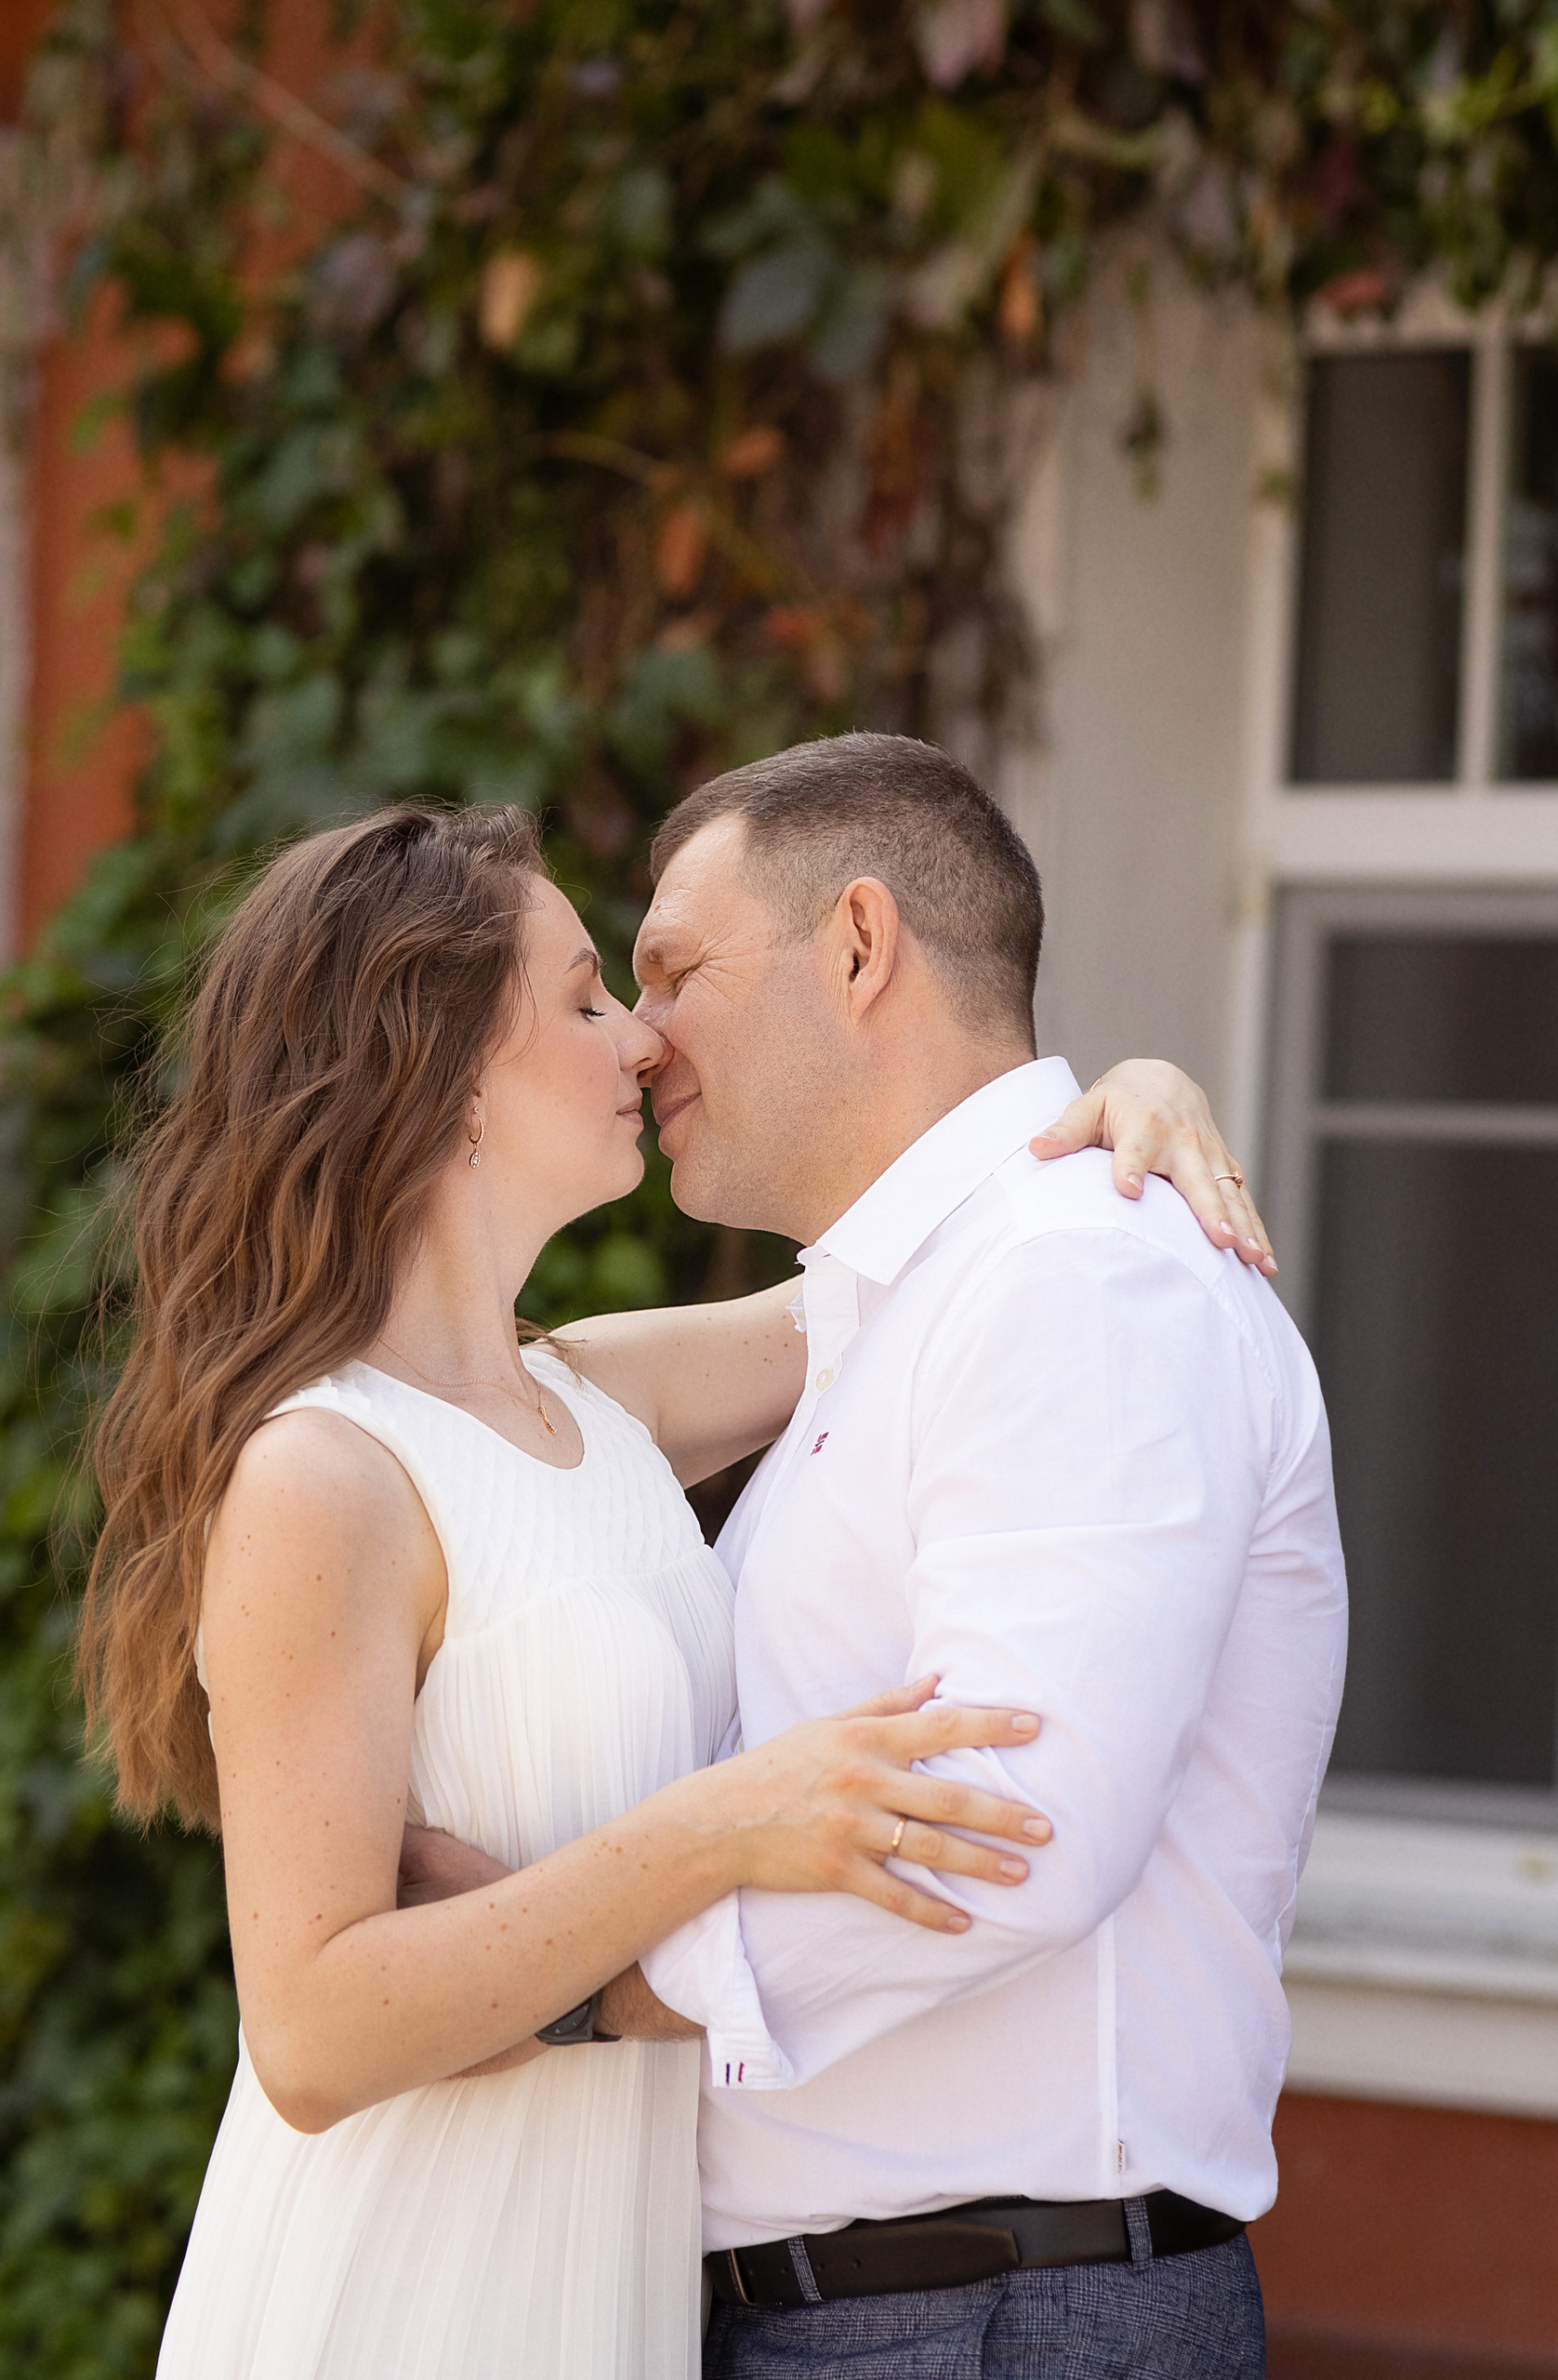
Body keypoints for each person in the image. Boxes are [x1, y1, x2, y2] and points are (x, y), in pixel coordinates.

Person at [81, 802, 1271, 2380]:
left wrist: (1126, 1096)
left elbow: (944, 1254)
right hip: (416, 2280)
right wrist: (724, 1825)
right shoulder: (328, 1473)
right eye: (586, 999)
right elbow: (307, 2033)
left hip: (619, 2275)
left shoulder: (593, 1402)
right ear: (438, 1082)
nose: (640, 1041)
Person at [609, 734, 1348, 2377]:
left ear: (860, 945)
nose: (640, 1038)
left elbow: (1010, 1831)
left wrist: (594, 1986)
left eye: (673, 972)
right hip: (910, 2312)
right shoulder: (914, 1306)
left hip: (995, 2317)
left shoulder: (1079, 1273)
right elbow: (520, 1405)